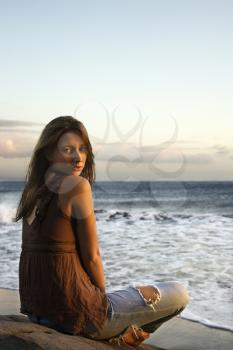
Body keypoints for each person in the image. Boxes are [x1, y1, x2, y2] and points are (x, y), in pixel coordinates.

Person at [15, 115, 189, 347]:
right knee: (179, 293)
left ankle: (123, 334)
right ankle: (122, 337)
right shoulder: (78, 185)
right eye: (68, 149)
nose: (78, 157)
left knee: (132, 294)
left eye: (82, 148)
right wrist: (99, 305)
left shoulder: (32, 190)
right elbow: (92, 255)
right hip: (75, 314)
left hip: (39, 312)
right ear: (49, 153)